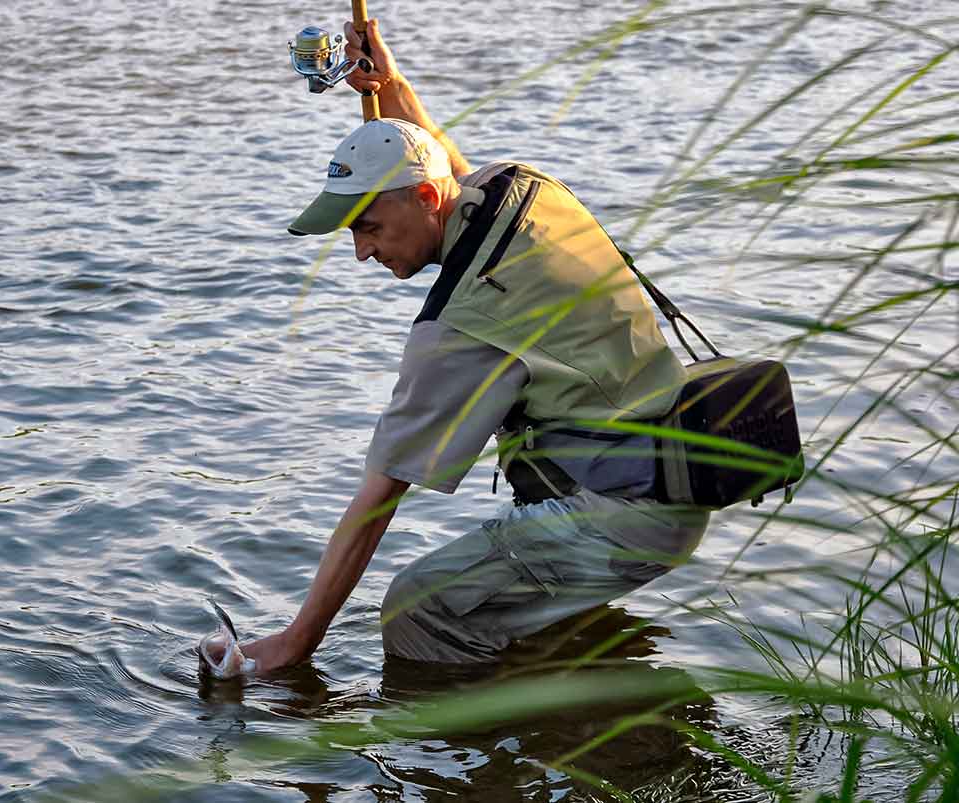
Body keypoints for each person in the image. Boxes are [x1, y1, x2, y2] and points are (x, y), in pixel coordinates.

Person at [236, 18, 709, 669]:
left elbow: (378, 499)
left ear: (423, 198)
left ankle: (502, 747)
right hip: (672, 479)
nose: (361, 251)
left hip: (624, 513)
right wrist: (392, 87)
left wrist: (296, 642)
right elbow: (451, 171)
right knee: (506, 607)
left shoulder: (466, 322)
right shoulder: (518, 185)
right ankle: (581, 696)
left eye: (368, 226)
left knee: (416, 613)